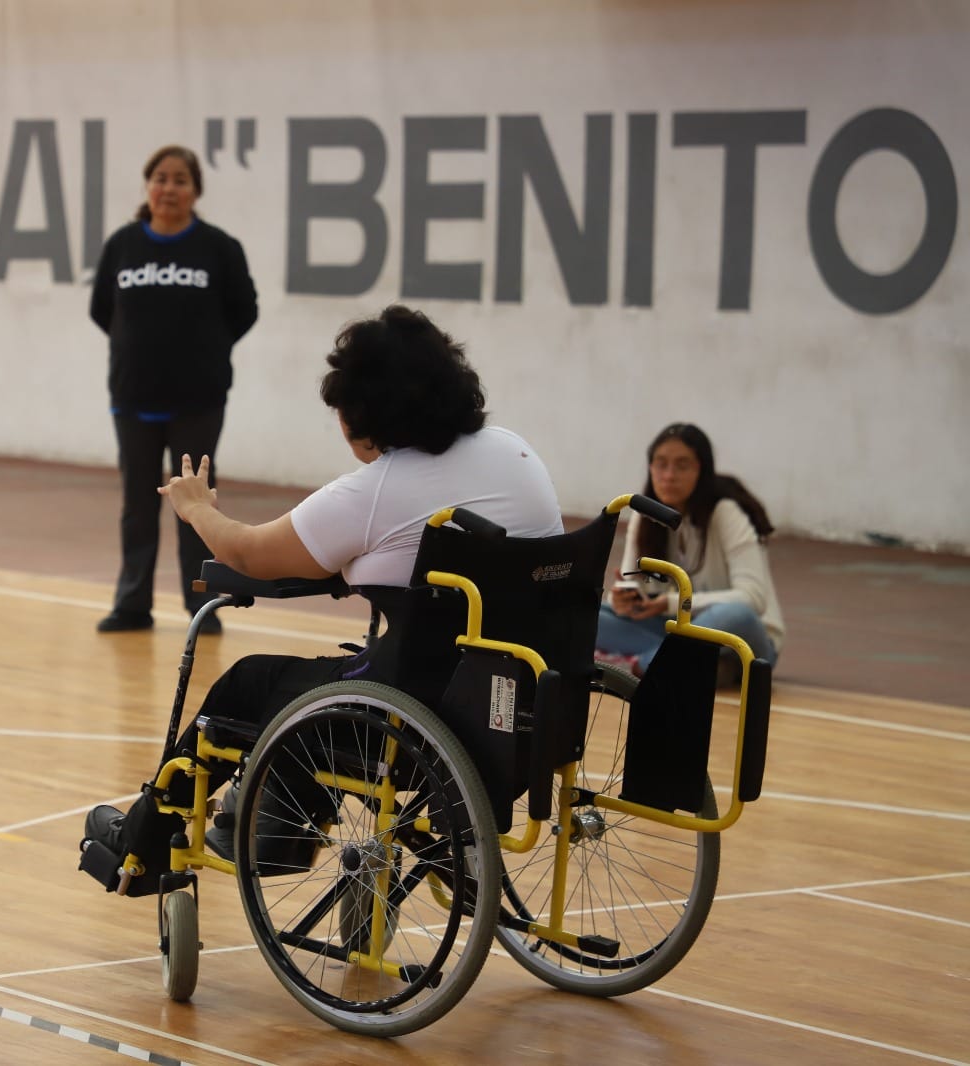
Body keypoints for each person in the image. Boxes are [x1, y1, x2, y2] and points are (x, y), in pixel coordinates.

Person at [83, 304, 563, 866]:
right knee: (329, 680)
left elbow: (248, 552)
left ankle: (145, 838)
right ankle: (274, 826)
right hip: (527, 711)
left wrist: (195, 509)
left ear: (361, 413)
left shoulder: (376, 491)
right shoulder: (515, 452)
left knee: (252, 684)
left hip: (418, 718)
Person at [89, 145, 258, 634]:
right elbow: (103, 309)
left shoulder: (219, 248)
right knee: (138, 504)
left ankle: (199, 604)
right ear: (147, 186)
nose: (169, 188)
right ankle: (132, 604)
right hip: (134, 397)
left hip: (197, 400)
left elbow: (243, 311)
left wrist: (201, 348)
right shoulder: (123, 245)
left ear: (195, 190)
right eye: (161, 178)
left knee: (196, 505)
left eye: (180, 179)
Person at [595, 422, 784, 683]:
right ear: (650, 468)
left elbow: (753, 598)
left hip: (740, 639)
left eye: (682, 465)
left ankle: (646, 664)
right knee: (586, 613)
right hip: (671, 630)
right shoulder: (644, 514)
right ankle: (685, 667)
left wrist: (672, 603)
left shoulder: (725, 512)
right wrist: (625, 600)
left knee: (735, 613)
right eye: (661, 464)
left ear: (701, 471)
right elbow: (637, 590)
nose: (669, 475)